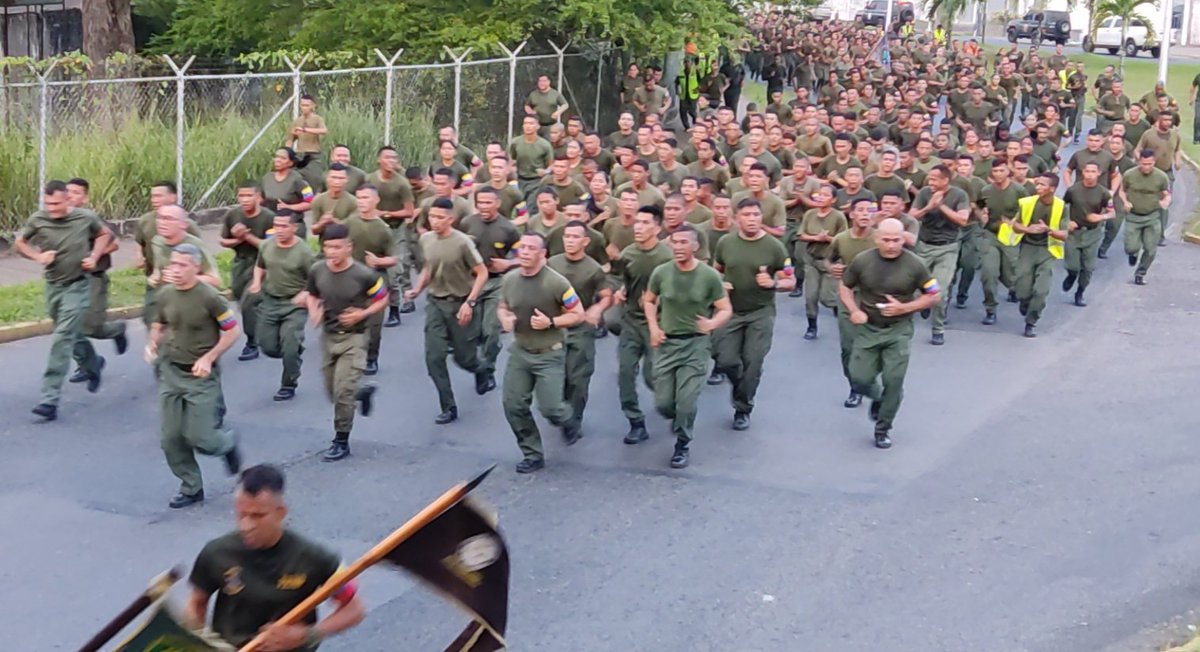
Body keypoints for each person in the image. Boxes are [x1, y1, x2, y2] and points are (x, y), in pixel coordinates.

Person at [186, 464, 365, 649]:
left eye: (257, 516)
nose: (246, 525)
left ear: (281, 512)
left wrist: (308, 635)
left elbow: (354, 609)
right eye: (241, 515)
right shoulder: (217, 552)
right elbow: (196, 604)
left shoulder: (314, 557)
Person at [145, 243, 242, 507]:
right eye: (172, 264)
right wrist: (153, 343)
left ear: (196, 267)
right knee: (170, 438)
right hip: (171, 371)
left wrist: (209, 358)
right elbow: (159, 323)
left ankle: (227, 444)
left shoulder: (210, 297)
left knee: (201, 438)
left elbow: (232, 331)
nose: (175, 270)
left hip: (200, 376)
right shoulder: (165, 294)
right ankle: (191, 487)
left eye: (182, 265)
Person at [838, 218, 941, 450]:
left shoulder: (915, 264)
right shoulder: (863, 261)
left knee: (894, 381)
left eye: (897, 240)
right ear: (876, 239)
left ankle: (883, 428)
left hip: (899, 330)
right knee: (859, 378)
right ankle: (878, 398)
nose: (892, 245)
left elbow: (934, 294)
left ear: (904, 238)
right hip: (868, 328)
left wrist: (905, 308)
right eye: (886, 240)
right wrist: (854, 310)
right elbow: (845, 286)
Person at [15, 181, 114, 421]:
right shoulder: (38, 219)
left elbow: (104, 234)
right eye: (48, 204)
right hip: (53, 286)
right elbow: (19, 243)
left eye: (57, 203)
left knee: (61, 339)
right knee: (69, 332)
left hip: (78, 286)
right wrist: (38, 256)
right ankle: (93, 364)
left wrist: (94, 256)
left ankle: (49, 399)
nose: (52, 208)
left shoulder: (84, 217)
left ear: (68, 200)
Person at [496, 232, 586, 473]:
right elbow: (502, 306)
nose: (524, 252)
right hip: (520, 351)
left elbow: (578, 313)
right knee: (513, 405)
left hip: (549, 353)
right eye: (521, 247)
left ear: (542, 254)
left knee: (551, 408)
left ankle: (569, 420)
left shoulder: (556, 283)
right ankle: (532, 453)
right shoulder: (510, 279)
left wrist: (552, 322)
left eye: (530, 248)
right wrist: (505, 318)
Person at [643, 225, 732, 468]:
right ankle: (679, 419)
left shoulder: (708, 276)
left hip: (695, 344)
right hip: (666, 343)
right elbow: (649, 301)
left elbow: (725, 308)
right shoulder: (661, 272)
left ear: (695, 247)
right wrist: (654, 327)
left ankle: (682, 443)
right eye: (674, 242)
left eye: (684, 242)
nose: (678, 247)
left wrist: (712, 323)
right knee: (663, 404)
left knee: (687, 401)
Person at [711, 198, 794, 430]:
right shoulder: (726, 243)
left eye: (756, 215)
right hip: (730, 311)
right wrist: (719, 283)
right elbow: (715, 271)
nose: (751, 219)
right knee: (726, 360)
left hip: (760, 312)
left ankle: (743, 407)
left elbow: (791, 280)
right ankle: (741, 386)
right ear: (736, 219)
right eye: (746, 215)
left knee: (753, 361)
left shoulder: (775, 247)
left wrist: (773, 283)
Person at [405, 198, 490, 424]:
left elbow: (482, 273)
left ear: (450, 219)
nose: (435, 221)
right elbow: (427, 268)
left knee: (464, 358)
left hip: (460, 303)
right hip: (436, 303)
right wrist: (417, 289)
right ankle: (448, 406)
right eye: (432, 216)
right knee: (434, 357)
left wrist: (469, 303)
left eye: (440, 217)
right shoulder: (426, 239)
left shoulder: (462, 242)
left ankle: (481, 369)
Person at [305, 223, 384, 461]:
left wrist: (361, 314)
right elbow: (311, 294)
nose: (332, 252)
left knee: (342, 395)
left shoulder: (364, 274)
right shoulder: (317, 270)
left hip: (354, 338)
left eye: (337, 247)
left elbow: (382, 298)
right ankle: (361, 393)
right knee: (333, 392)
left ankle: (341, 440)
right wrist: (314, 311)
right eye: (328, 247)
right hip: (329, 337)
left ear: (348, 247)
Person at [615, 205, 673, 445]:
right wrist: (621, 292)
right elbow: (625, 282)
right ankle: (635, 421)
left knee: (653, 376)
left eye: (645, 223)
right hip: (630, 321)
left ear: (657, 228)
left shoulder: (666, 257)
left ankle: (674, 407)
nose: (638, 227)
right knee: (625, 373)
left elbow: (675, 292)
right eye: (637, 222)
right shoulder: (628, 254)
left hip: (657, 324)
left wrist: (658, 300)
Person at [63, 178, 128, 386]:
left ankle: (117, 330)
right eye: (67, 191)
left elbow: (114, 243)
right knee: (66, 327)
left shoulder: (91, 219)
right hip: (68, 280)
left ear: (85, 198)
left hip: (93, 279)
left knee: (90, 327)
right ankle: (88, 363)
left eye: (75, 192)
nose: (70, 195)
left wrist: (93, 255)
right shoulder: (59, 219)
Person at [548, 220, 613, 425]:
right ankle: (560, 408)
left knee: (578, 378)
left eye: (575, 237)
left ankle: (574, 420)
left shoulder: (593, 269)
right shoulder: (552, 264)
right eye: (567, 236)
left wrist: (597, 309)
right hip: (554, 326)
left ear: (585, 241)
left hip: (580, 328)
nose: (569, 241)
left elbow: (606, 295)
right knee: (556, 377)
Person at [461, 186, 522, 392]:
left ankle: (488, 370)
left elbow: (521, 256)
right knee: (472, 333)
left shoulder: (508, 228)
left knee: (491, 332)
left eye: (488, 202)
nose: (484, 207)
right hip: (472, 283)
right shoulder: (467, 224)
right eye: (480, 202)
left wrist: (509, 264)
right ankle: (479, 366)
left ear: (497, 203)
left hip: (498, 283)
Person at [249, 209, 313, 401]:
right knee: (266, 346)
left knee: (290, 345)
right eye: (276, 225)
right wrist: (256, 282)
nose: (280, 230)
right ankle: (291, 351)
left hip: (294, 304)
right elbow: (260, 265)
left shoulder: (303, 252)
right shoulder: (267, 246)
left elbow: (316, 278)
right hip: (270, 301)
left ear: (294, 227)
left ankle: (288, 383)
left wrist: (305, 294)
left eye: (284, 226)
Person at [1001, 173, 1070, 338]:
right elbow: (1014, 225)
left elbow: (1065, 234)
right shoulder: (1027, 203)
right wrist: (1028, 229)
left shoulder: (1061, 207)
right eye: (1037, 184)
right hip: (1027, 248)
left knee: (1041, 290)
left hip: (1048, 250)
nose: (1037, 187)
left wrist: (1049, 230)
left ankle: (1031, 321)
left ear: (1052, 189)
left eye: (1042, 185)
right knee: (1022, 289)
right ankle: (1024, 303)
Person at [909, 165, 969, 346]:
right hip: (924, 246)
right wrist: (929, 206)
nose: (930, 182)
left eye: (935, 179)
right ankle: (922, 305)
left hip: (947, 248)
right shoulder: (925, 193)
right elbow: (913, 216)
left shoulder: (959, 195)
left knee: (939, 291)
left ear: (946, 180)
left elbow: (962, 220)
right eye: (930, 178)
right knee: (913, 287)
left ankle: (938, 329)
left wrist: (940, 205)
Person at [829, 198, 879, 408]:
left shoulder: (880, 238)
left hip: (875, 298)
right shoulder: (841, 239)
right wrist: (832, 268)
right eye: (860, 210)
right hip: (848, 296)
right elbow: (830, 260)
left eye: (870, 210)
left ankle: (872, 382)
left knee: (874, 345)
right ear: (852, 214)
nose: (865, 214)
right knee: (849, 347)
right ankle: (855, 387)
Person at [345, 185, 398, 376]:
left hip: (376, 280)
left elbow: (393, 258)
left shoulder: (383, 229)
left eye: (366, 198)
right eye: (358, 197)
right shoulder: (349, 223)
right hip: (352, 279)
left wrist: (378, 261)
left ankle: (371, 358)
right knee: (350, 320)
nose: (361, 201)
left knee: (374, 324)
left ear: (376, 201)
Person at [220, 182, 274, 362]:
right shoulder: (232, 215)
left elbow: (270, 247)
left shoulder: (268, 218)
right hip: (240, 264)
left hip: (261, 264)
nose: (245, 200)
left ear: (258, 197)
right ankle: (265, 321)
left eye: (249, 195)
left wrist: (247, 236)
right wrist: (236, 239)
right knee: (239, 297)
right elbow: (223, 241)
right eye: (241, 196)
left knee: (248, 303)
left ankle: (252, 343)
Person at [134, 182, 201, 325]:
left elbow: (198, 253)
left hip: (180, 279)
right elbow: (140, 242)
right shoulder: (145, 220)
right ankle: (159, 345)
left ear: (172, 197)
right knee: (151, 318)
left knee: (178, 319)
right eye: (152, 196)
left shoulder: (187, 225)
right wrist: (140, 257)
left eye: (159, 196)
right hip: (155, 278)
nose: (154, 200)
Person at [367, 146, 417, 324]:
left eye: (394, 158)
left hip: (396, 230)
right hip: (373, 227)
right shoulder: (370, 179)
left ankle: (394, 311)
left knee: (393, 271)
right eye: (387, 158)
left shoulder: (402, 184)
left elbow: (409, 212)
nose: (391, 161)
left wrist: (386, 214)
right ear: (379, 160)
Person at [1060, 162, 1115, 308]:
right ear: (1083, 172)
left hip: (1092, 233)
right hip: (1074, 233)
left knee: (1088, 268)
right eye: (1087, 171)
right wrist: (1067, 222)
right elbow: (1062, 207)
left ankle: (1080, 292)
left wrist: (1100, 217)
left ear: (1099, 173)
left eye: (1093, 171)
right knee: (1073, 265)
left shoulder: (1104, 193)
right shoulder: (1073, 190)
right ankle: (1071, 276)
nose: (1090, 174)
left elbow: (1112, 212)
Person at [1121, 149, 1172, 286]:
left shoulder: (1161, 177)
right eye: (1144, 164)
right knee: (1130, 247)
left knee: (1150, 249)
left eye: (1149, 164)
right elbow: (1122, 191)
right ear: (1139, 162)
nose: (1146, 167)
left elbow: (1167, 193)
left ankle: (1140, 273)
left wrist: (1165, 201)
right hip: (1133, 216)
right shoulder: (1129, 175)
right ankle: (1133, 254)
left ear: (1154, 162)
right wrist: (1125, 202)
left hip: (1152, 216)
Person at [1135, 110, 1182, 242]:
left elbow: (1177, 149)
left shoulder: (1174, 135)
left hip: (1166, 173)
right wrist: (1141, 163)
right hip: (1149, 172)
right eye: (1164, 120)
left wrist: (1178, 161)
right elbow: (1138, 150)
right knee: (1145, 201)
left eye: (1169, 120)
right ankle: (1141, 230)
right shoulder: (1149, 134)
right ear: (1159, 120)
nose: (1167, 123)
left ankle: (1160, 235)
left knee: (1165, 203)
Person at [285, 94, 328, 192]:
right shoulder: (297, 121)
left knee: (315, 179)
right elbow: (290, 139)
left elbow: (324, 130)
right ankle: (303, 199)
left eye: (307, 105)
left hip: (313, 154)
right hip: (300, 154)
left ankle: (315, 198)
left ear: (313, 106)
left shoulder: (317, 119)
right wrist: (287, 153)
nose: (304, 108)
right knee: (297, 179)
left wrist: (305, 130)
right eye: (302, 105)